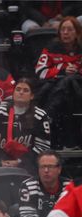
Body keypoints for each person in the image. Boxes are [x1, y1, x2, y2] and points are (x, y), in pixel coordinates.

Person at [36, 17, 82, 148]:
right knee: (50, 85)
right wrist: (62, 70)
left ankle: (46, 116)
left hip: (78, 89)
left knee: (68, 80)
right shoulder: (51, 47)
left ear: (77, 32)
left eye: (70, 29)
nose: (66, 33)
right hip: (58, 91)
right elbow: (40, 71)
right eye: (63, 29)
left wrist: (77, 72)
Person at [0, 78, 51, 175]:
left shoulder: (40, 116)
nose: (21, 92)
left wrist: (20, 161)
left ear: (32, 96)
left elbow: (43, 147)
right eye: (18, 89)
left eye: (25, 90)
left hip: (29, 168)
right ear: (13, 93)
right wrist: (0, 160)